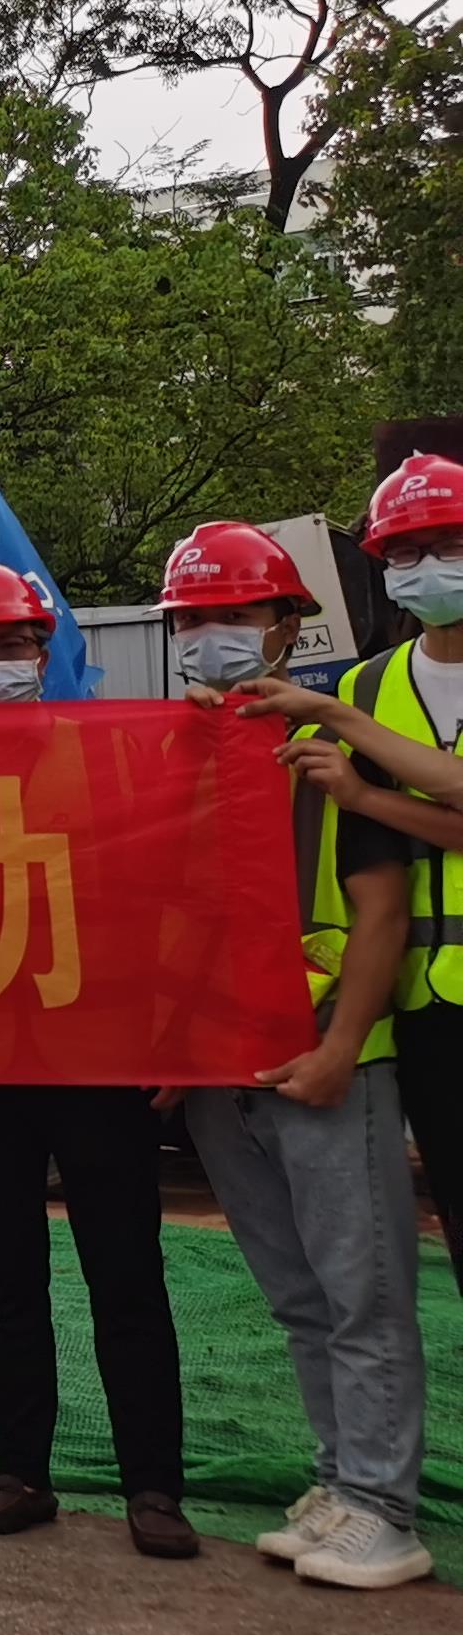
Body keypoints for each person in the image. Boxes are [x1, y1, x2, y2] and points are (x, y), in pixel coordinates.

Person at [164, 521, 435, 1591]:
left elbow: (382, 914)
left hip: (326, 1061)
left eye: (237, 615)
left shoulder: (337, 753)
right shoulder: (173, 754)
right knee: (299, 1295)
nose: (214, 635)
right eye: (195, 618)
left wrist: (339, 1048)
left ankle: (385, 1508)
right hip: (223, 1073)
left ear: (286, 625)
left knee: (362, 1289)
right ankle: (340, 1480)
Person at [0, 553, 195, 1558]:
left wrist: (175, 1030)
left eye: (8, 645)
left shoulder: (117, 755)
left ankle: (153, 1487)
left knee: (126, 1273)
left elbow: (168, 896)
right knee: (5, 1276)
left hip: (99, 1053)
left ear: (44, 651)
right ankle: (22, 1471)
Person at [336, 450, 463, 1307]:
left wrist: (357, 783)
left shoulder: (349, 704)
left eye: (446, 543)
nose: (425, 568)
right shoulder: (369, 683)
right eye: (405, 554)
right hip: (426, 1012)